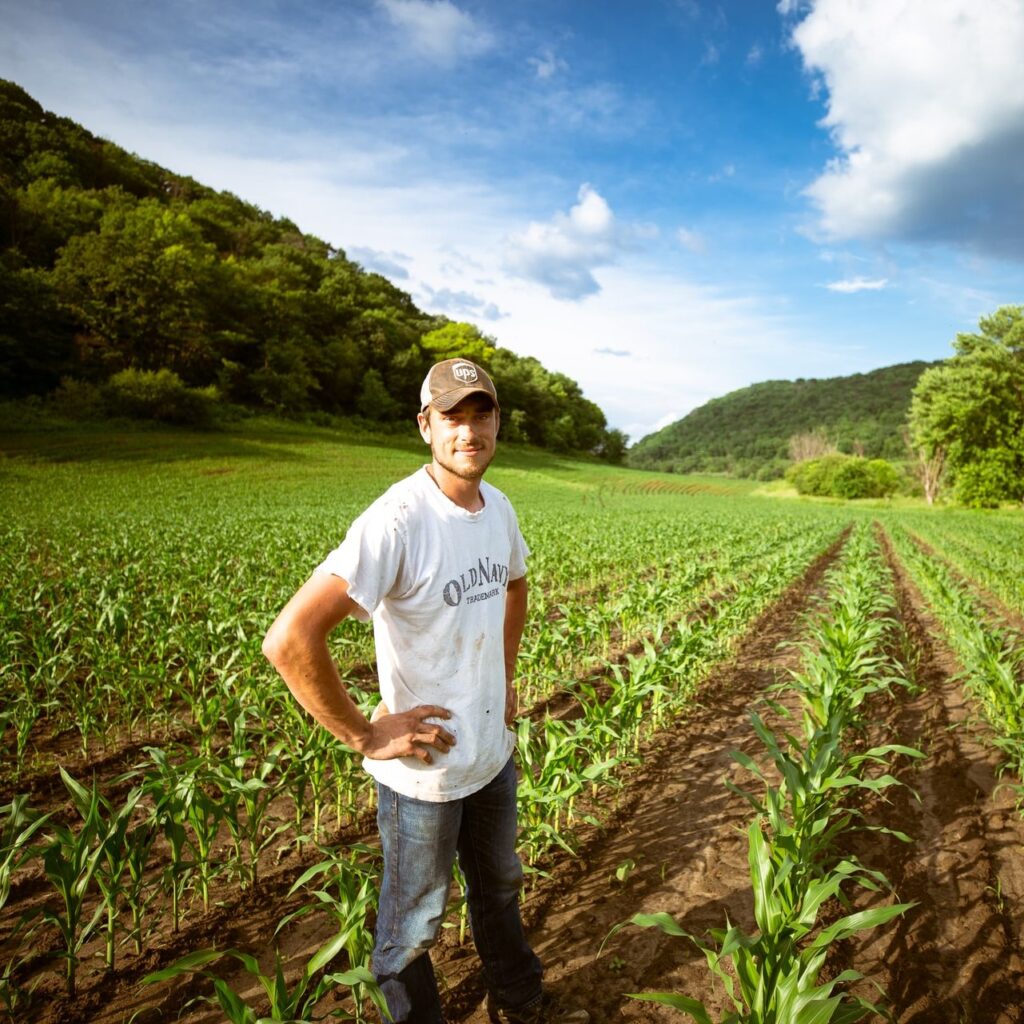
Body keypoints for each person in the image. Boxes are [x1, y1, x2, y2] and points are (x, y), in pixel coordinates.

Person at [262, 358, 589, 1024]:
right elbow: (290, 638)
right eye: (452, 417)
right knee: (413, 926)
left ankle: (521, 1008)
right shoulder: (399, 520)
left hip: (491, 756)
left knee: (499, 889)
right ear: (426, 427)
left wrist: (503, 673)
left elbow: (516, 584)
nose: (468, 431)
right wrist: (364, 733)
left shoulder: (498, 507)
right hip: (425, 777)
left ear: (498, 421)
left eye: (481, 414)